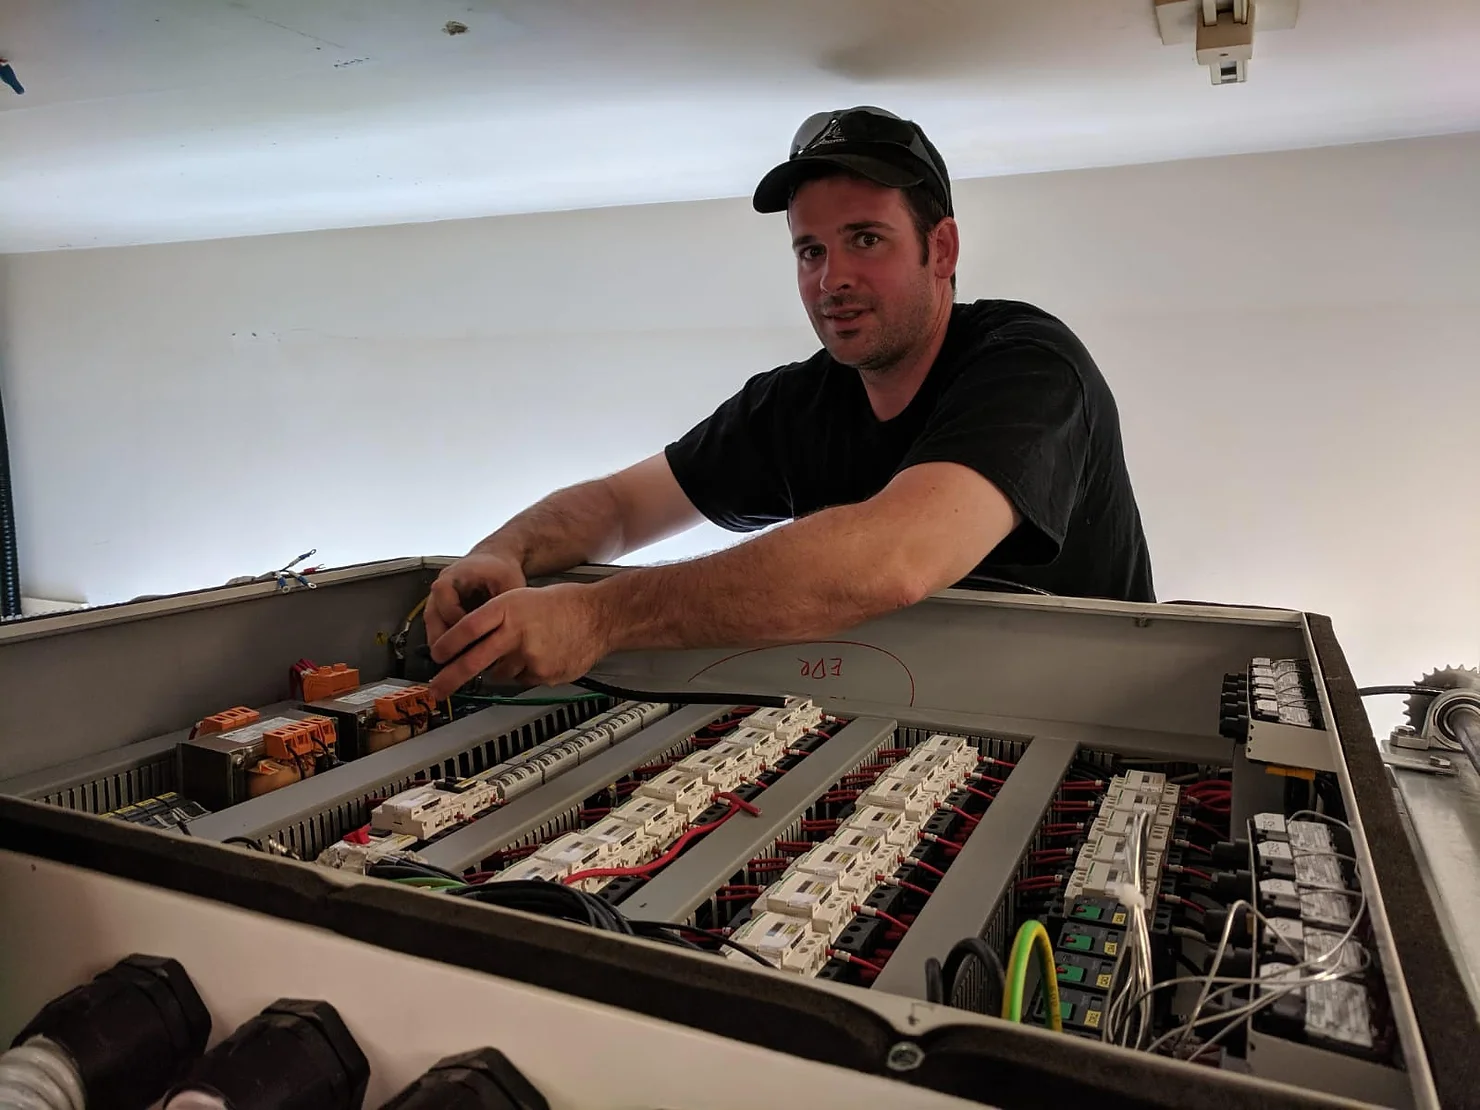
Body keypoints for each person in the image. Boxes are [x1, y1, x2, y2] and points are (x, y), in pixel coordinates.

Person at [425, 106, 1153, 699]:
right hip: (887, 730)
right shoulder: (793, 404)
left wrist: (597, 615)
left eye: (866, 239)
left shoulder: (1028, 363)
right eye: (810, 250)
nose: (832, 278)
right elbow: (620, 506)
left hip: (1095, 741)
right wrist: (502, 549)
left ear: (943, 249)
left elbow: (894, 556)